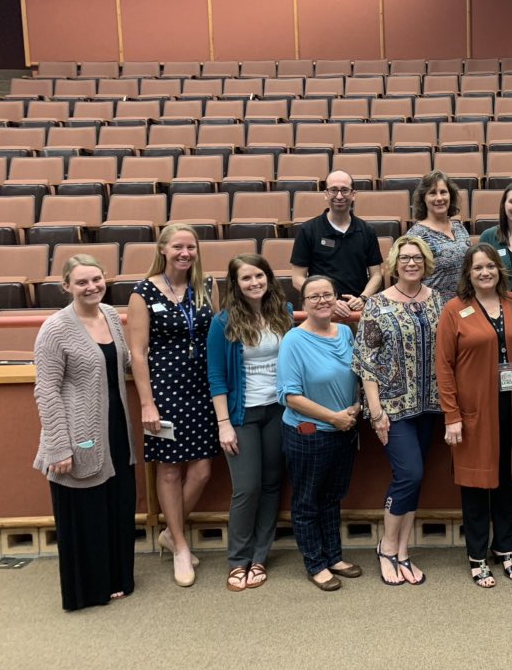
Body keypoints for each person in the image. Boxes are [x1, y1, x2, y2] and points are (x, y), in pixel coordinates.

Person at [33, 255, 136, 610]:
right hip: (78, 431)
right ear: (66, 287)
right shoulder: (55, 328)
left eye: (95, 279)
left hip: (115, 425)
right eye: (81, 282)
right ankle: (90, 588)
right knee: (86, 508)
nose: (91, 287)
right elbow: (46, 390)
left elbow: (122, 361)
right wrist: (59, 447)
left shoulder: (109, 314)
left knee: (117, 502)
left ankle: (118, 577)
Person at [436, 244, 512, 588]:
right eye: (477, 268)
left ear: (500, 270)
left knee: (508, 480)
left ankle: (505, 549)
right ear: (468, 273)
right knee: (476, 485)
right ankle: (477, 556)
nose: (485, 273)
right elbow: (445, 367)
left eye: (490, 267)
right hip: (473, 412)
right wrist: (451, 415)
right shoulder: (455, 309)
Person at [128, 223, 218, 588]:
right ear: (163, 249)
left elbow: (219, 330)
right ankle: (180, 545)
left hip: (203, 387)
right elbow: (138, 352)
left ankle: (169, 531)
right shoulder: (143, 292)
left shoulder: (207, 287)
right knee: (169, 470)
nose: (185, 253)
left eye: (191, 247)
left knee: (202, 471)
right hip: (164, 390)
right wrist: (147, 404)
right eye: (178, 246)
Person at [353, 235, 446, 586]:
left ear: (426, 264)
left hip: (429, 407)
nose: (411, 263)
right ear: (394, 264)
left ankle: (403, 550)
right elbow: (366, 362)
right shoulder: (377, 304)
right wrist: (375, 413)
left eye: (417, 258)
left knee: (416, 478)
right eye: (405, 258)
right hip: (392, 408)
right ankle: (387, 548)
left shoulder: (438, 300)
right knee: (409, 475)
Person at [206, 254, 294, 592]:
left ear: (269, 278)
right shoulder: (223, 322)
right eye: (246, 278)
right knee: (247, 488)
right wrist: (223, 423)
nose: (254, 283)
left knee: (273, 485)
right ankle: (237, 560)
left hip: (277, 411)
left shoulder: (282, 314)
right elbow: (216, 377)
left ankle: (260, 556)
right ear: (236, 284)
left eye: (259, 276)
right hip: (242, 415)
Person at [277, 275, 363, 592]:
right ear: (304, 304)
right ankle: (315, 563)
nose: (322, 301)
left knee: (331, 498)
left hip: (345, 429)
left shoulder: (345, 332)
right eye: (314, 297)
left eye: (328, 294)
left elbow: (357, 373)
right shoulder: (293, 341)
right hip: (309, 432)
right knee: (307, 502)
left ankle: (334, 557)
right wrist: (334, 418)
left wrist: (354, 409)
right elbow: (290, 395)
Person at [289, 170, 383, 320]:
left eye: (345, 190)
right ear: (325, 194)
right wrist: (328, 301)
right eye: (333, 190)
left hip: (357, 312)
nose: (339, 196)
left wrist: (363, 298)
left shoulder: (367, 230)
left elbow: (376, 275)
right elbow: (297, 278)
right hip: (320, 311)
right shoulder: (308, 230)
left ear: (353, 194)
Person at [406, 170, 470, 301]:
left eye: (443, 192)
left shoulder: (459, 228)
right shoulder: (416, 235)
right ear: (424, 198)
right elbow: (409, 280)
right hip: (433, 308)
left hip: (465, 305)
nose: (439, 198)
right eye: (432, 193)